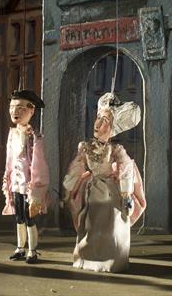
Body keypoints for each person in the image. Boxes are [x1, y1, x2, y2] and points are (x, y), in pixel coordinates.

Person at [62, 92, 146, 273]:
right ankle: (88, 256)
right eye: (98, 118)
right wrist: (69, 188)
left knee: (112, 220)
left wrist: (125, 192)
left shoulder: (115, 149)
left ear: (113, 127)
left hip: (110, 190)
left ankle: (112, 258)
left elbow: (126, 167)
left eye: (105, 120)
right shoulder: (85, 147)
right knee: (90, 222)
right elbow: (76, 167)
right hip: (92, 189)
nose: (98, 123)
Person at [2, 89, 49, 264]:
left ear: (31, 110)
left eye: (21, 108)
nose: (15, 111)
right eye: (12, 107)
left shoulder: (34, 136)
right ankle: (20, 247)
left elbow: (39, 165)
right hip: (16, 184)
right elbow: (9, 160)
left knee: (30, 218)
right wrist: (8, 178)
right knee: (19, 217)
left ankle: (32, 250)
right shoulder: (13, 133)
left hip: (28, 185)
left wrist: (36, 190)